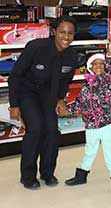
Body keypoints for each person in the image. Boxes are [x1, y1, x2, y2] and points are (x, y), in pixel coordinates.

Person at [8, 16, 78, 190]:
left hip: (49, 95)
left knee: (52, 131)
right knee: (36, 128)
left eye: (70, 33)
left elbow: (65, 81)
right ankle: (28, 176)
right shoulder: (36, 47)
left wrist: (61, 98)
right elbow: (15, 76)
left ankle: (47, 173)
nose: (66, 37)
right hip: (28, 92)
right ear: (54, 32)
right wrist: (14, 104)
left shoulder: (72, 55)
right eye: (62, 32)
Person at [64, 39, 111, 197]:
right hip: (91, 125)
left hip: (106, 124)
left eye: (101, 63)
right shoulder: (85, 87)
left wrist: (110, 53)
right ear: (89, 68)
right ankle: (82, 175)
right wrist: (65, 110)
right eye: (95, 64)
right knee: (89, 150)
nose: (98, 66)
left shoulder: (108, 80)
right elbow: (80, 105)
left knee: (110, 153)